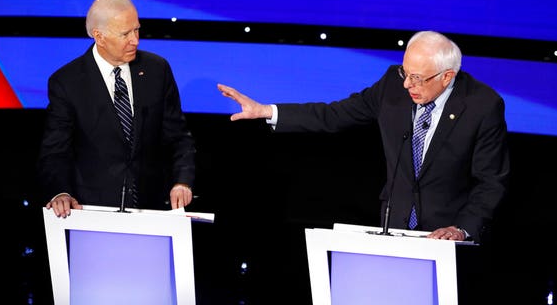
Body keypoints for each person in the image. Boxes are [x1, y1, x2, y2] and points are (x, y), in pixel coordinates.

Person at [218, 30, 509, 243]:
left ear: (447, 76)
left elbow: (491, 181)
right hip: (392, 231)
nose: (408, 84)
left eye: (418, 78)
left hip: (448, 239)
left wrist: (461, 228)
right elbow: (334, 115)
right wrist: (266, 110)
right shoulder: (392, 87)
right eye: (405, 73)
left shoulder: (482, 106)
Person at [38, 0, 196, 218]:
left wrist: (182, 181)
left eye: (137, 29)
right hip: (92, 212)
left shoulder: (157, 70)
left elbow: (178, 136)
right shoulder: (67, 82)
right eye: (125, 33)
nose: (136, 40)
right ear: (99, 36)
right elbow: (55, 151)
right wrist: (60, 192)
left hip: (151, 210)